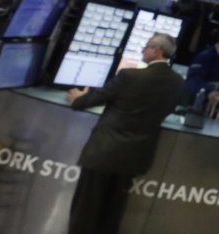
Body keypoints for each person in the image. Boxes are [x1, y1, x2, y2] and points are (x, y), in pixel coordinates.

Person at [66, 33, 185, 234]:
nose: (142, 50)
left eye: (146, 46)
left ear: (157, 51)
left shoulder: (130, 77)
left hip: (103, 153)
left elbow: (86, 102)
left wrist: (78, 97)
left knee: (85, 213)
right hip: (133, 158)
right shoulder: (177, 82)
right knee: (112, 214)